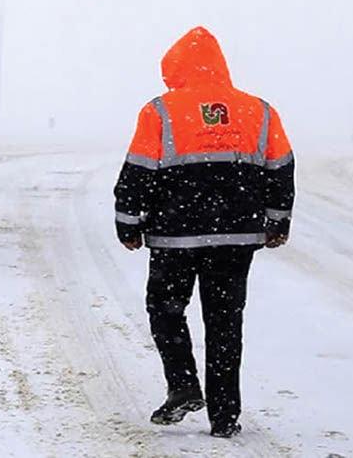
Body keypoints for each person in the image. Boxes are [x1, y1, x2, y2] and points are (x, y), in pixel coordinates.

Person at [113, 26, 295, 439]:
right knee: (226, 322)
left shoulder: (160, 111)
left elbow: (137, 172)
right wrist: (277, 222)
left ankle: (183, 385)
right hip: (235, 238)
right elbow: (281, 169)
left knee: (165, 309)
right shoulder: (259, 110)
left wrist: (128, 223)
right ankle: (225, 416)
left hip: (174, 237)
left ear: (176, 67)